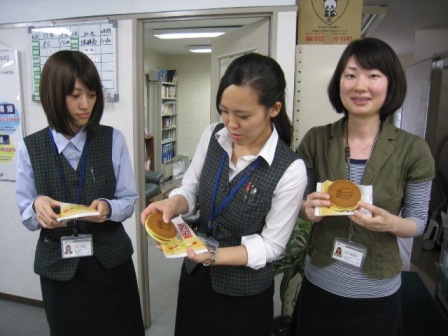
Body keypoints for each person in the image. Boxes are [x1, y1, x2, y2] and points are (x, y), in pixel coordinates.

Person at [141, 52, 307, 336]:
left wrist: (213, 255)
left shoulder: (290, 169)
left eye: (243, 115)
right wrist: (172, 204)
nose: (231, 123)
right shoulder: (213, 136)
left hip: (243, 294)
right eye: (224, 111)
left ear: (274, 108)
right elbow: (191, 188)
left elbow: (271, 246)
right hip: (196, 278)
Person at [288, 37, 435, 336]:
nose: (360, 86)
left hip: (377, 294)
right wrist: (306, 209)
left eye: (373, 75)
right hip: (321, 285)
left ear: (390, 84)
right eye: (351, 74)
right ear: (339, 81)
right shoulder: (316, 140)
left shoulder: (414, 150)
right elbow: (299, 201)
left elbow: (418, 222)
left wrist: (390, 223)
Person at [15, 50, 145, 336]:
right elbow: (26, 213)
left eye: (92, 94)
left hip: (110, 263)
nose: (85, 104)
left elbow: (128, 200)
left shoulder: (113, 139)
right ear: (54, 94)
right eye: (75, 95)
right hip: (58, 268)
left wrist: (109, 208)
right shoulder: (30, 147)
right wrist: (37, 206)